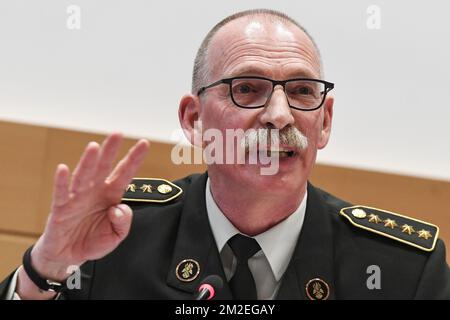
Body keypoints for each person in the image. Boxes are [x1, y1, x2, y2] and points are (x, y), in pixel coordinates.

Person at [1, 8, 449, 300]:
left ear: (325, 121)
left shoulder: (401, 272)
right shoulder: (114, 238)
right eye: (248, 89)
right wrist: (46, 268)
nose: (279, 116)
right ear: (194, 119)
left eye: (301, 92)